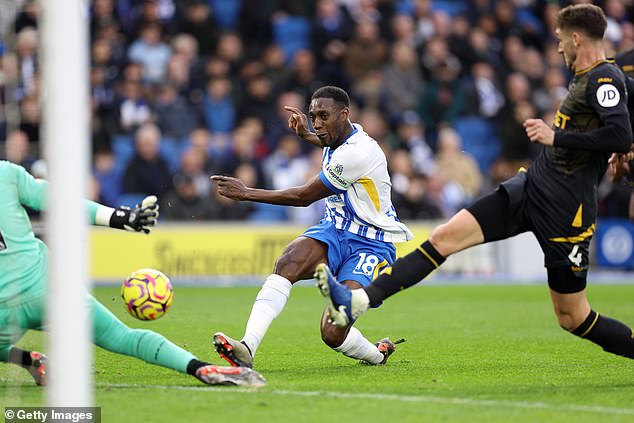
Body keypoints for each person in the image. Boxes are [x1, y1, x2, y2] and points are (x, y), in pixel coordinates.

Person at [317, 4, 634, 363]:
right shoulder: (593, 74)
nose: (558, 47)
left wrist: (556, 138)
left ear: (576, 37)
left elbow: (619, 134)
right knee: (443, 237)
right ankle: (356, 303)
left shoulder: (603, 78)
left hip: (567, 210)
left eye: (561, 39)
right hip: (532, 187)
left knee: (572, 317)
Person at [0, 160, 264, 387]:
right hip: (46, 288)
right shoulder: (6, 174)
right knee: (121, 336)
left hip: (3, 311)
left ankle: (24, 359)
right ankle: (200, 367)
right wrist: (122, 218)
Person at [211, 85, 413, 368]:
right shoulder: (343, 139)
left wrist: (246, 193)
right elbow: (332, 145)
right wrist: (307, 135)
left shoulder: (360, 152)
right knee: (289, 260)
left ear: (344, 114)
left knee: (332, 332)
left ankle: (377, 355)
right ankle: (247, 346)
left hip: (372, 242)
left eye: (323, 116)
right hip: (336, 228)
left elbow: (304, 197)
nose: (317, 123)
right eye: (312, 116)